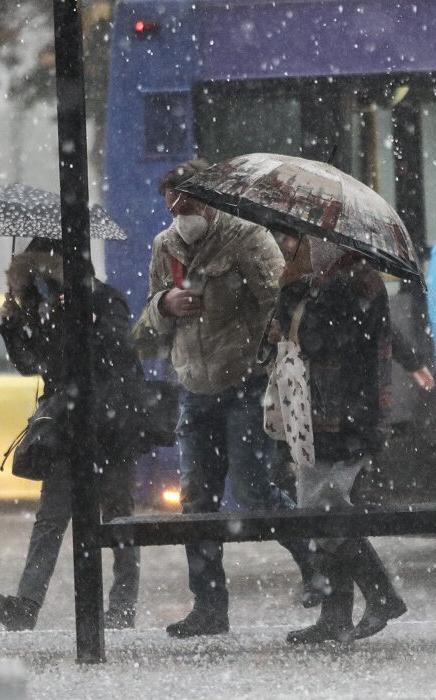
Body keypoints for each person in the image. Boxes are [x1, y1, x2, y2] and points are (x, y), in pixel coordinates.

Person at [137, 159, 319, 638]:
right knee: (197, 501)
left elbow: (280, 296)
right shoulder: (165, 246)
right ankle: (209, 606)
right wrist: (164, 305)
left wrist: (276, 331)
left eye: (190, 200)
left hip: (244, 383)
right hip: (194, 390)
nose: (180, 210)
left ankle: (314, 561)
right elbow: (148, 323)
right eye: (172, 201)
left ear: (211, 199)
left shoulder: (246, 238)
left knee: (254, 488)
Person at [0, 239, 144, 631]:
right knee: (50, 519)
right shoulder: (44, 306)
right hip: (65, 428)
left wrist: (86, 322)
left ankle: (121, 607)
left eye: (46, 270)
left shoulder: (104, 299)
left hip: (110, 427)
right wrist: (13, 327)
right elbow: (34, 365)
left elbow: (119, 355)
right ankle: (26, 606)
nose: (42, 281)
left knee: (117, 516)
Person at [268, 234, 407, 644]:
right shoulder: (324, 280)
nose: (287, 245)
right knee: (324, 510)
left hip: (345, 416)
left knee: (322, 510)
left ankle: (381, 596)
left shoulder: (351, 283)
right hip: (322, 414)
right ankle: (335, 613)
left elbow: (324, 341)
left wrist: (290, 298)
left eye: (297, 239)